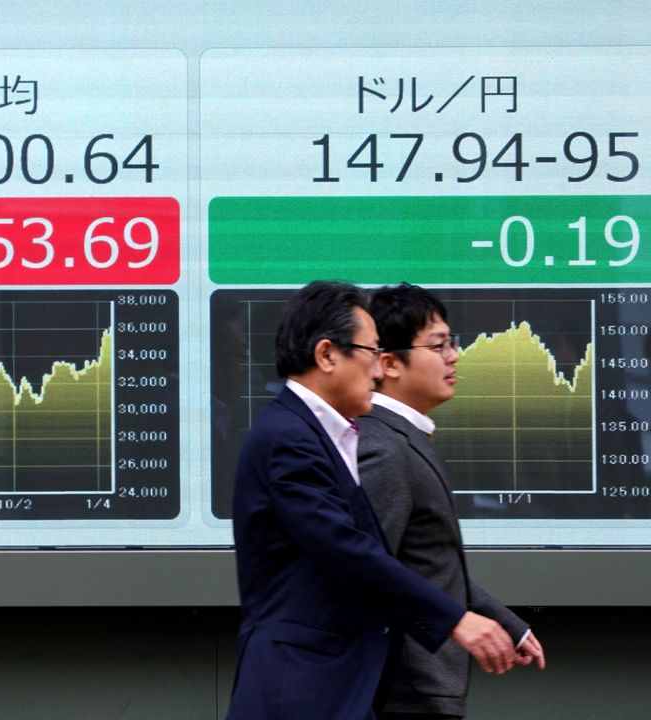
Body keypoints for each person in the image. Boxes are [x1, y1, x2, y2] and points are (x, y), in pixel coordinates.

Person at [226, 281, 519, 720]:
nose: (378, 372)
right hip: (303, 685)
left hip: (329, 684)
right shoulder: (289, 438)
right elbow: (348, 549)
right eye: (369, 352)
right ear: (327, 355)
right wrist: (456, 620)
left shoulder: (323, 433)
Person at [359, 283, 546, 720]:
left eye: (453, 343)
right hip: (405, 690)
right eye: (439, 345)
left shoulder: (404, 439)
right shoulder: (383, 450)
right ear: (388, 363)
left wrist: (506, 622)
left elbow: (428, 566)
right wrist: (458, 622)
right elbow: (371, 572)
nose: (454, 356)